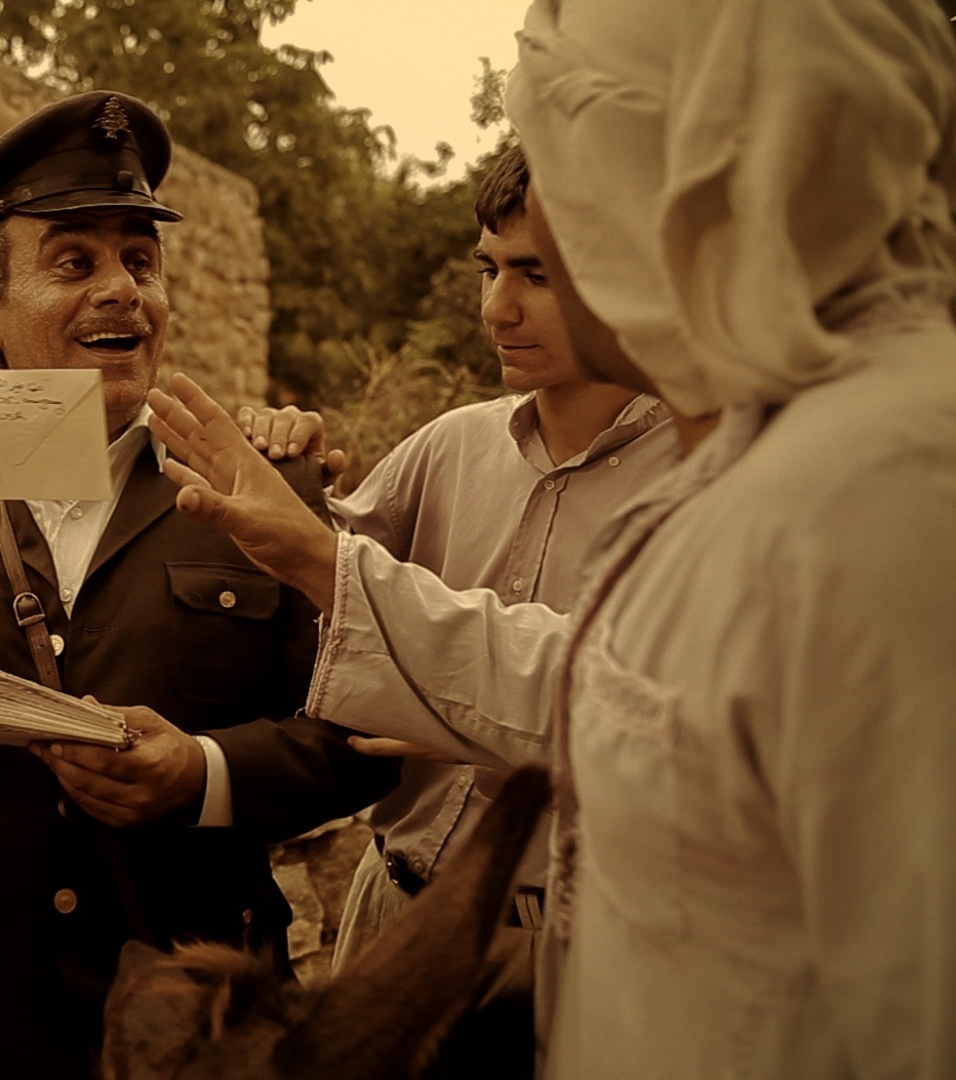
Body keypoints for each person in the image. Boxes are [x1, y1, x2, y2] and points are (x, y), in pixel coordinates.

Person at [145, 0, 956, 1074]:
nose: (527, 265)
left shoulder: (901, 484)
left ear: (688, 186)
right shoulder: (769, 456)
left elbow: (937, 1012)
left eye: (570, 179)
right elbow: (589, 692)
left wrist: (320, 562)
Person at [0, 90, 396, 1080]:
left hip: (188, 1028)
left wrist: (204, 772)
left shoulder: (255, 484)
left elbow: (363, 742)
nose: (121, 290)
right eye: (73, 262)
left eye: (140, 261)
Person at [249, 143, 679, 1070]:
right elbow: (313, 601)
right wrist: (284, 474)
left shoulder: (706, 487)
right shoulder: (448, 446)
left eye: (537, 276)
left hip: (580, 953)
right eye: (489, 269)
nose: (497, 309)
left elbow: (664, 729)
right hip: (390, 912)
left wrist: (463, 713)